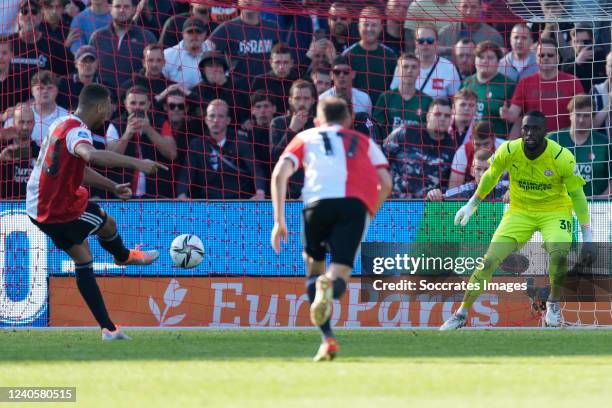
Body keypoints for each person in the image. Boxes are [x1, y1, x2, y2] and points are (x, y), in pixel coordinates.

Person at [26, 83, 167, 340]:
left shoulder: (61, 123)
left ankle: (109, 329)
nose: (108, 114)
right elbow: (89, 155)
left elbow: (79, 168)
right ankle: (124, 256)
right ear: (101, 107)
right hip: (59, 209)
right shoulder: (78, 132)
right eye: (109, 109)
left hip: (37, 209)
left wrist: (112, 185)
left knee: (83, 259)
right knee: (107, 223)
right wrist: (140, 163)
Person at [440, 111, 596, 330]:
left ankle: (553, 305)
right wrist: (472, 204)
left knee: (559, 255)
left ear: (545, 132)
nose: (530, 133)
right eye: (526, 128)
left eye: (535, 129)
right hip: (519, 211)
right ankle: (461, 314)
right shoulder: (509, 150)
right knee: (488, 261)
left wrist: (587, 235)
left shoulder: (562, 157)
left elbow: (578, 196)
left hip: (555, 211)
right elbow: (491, 175)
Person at [270, 97, 392, 361]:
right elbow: (386, 182)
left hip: (316, 205)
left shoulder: (306, 136)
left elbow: (280, 173)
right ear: (348, 121)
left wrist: (279, 220)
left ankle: (327, 339)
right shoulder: (364, 141)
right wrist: (371, 211)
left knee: (313, 268)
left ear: (317, 121)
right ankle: (329, 292)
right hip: (354, 207)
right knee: (338, 276)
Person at [383, 98, 458, 198]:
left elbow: (448, 186)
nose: (443, 119)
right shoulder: (407, 131)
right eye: (438, 114)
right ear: (428, 116)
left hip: (426, 207)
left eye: (447, 116)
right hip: (392, 201)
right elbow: (381, 157)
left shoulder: (453, 149)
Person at [547, 95, 611, 197]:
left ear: (592, 117)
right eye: (577, 115)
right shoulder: (553, 139)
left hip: (596, 207)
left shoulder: (604, 143)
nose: (581, 120)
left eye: (586, 116)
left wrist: (601, 199)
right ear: (570, 115)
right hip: (560, 206)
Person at [460, 41, 515, 139]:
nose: (485, 61)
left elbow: (517, 119)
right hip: (467, 141)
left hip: (496, 142)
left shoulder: (508, 85)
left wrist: (509, 116)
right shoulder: (467, 82)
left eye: (490, 58)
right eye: (481, 57)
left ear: (498, 61)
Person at [342, 7, 397, 103]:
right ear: (359, 27)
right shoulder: (347, 55)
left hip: (382, 111)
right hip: (356, 110)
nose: (369, 29)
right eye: (366, 24)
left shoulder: (390, 56)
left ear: (380, 28)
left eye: (374, 25)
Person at [374, 53, 432, 137]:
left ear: (419, 71)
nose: (409, 70)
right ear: (398, 71)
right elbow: (376, 128)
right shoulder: (386, 97)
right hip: (389, 148)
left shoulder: (427, 101)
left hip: (417, 148)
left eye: (414, 67)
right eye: (405, 67)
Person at [425, 149, 509, 201]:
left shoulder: (507, 187)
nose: (482, 174)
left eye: (487, 170)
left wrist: (515, 193)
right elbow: (439, 198)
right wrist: (432, 195)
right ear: (472, 171)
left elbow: (520, 190)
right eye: (478, 169)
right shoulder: (465, 191)